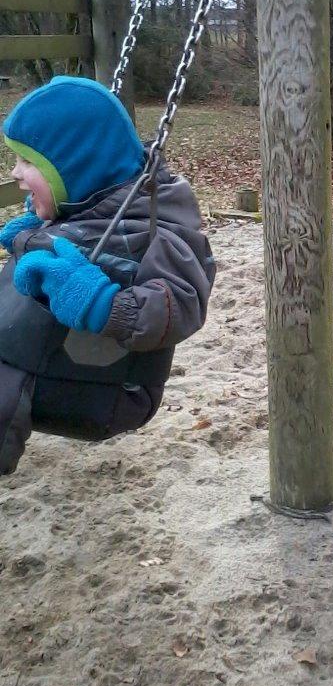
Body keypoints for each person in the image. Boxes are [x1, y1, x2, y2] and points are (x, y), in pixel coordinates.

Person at [0, 76, 215, 473]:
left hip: (111, 388)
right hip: (50, 358)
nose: (15, 172)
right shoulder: (88, 201)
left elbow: (182, 304)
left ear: (75, 167)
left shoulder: (158, 230)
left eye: (27, 161)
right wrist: (29, 239)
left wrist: (102, 304)